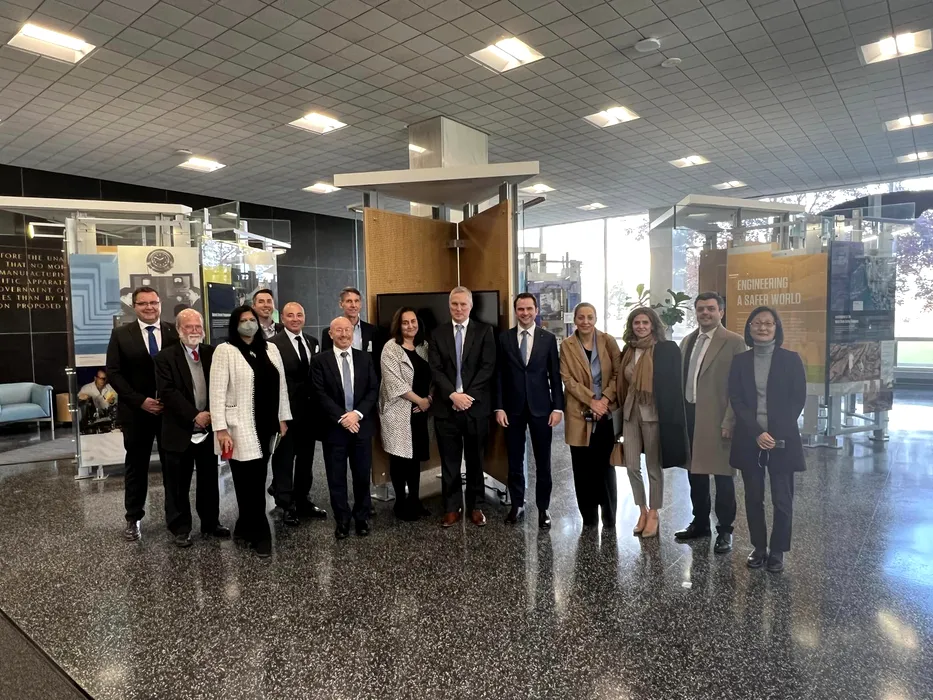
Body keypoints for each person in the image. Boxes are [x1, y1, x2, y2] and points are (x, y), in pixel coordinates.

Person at [729, 306, 806, 573]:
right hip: (750, 437)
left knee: (782, 499)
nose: (762, 327)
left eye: (768, 323)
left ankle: (778, 550)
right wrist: (757, 432)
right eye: (757, 323)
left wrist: (774, 434)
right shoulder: (740, 361)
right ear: (749, 328)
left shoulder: (791, 360)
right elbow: (736, 399)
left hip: (782, 440)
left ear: (776, 328)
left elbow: (797, 400)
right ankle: (759, 547)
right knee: (753, 498)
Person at [210, 306, 291, 558]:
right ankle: (260, 534)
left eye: (252, 319)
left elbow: (282, 386)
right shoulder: (226, 351)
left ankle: (245, 526)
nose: (249, 324)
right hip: (239, 426)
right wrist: (220, 430)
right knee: (248, 482)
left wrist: (283, 418)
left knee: (257, 477)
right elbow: (216, 392)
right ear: (235, 325)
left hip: (267, 426)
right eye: (243, 320)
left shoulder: (271, 349)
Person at [675, 292, 747, 553]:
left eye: (711, 309)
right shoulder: (687, 341)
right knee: (695, 473)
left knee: (723, 476)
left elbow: (739, 387)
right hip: (690, 416)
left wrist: (730, 420)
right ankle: (700, 523)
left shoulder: (734, 342)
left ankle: (725, 530)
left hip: (718, 419)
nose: (705, 313)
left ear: (721, 312)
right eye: (700, 309)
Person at [106, 286, 179, 541]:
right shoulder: (120, 334)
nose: (149, 307)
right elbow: (113, 373)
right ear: (134, 306)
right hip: (136, 412)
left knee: (173, 467)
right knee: (136, 467)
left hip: (170, 413)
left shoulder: (174, 331)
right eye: (143, 303)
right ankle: (133, 518)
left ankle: (176, 521)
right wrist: (140, 401)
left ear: (160, 304)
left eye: (153, 302)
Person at [154, 309, 230, 548]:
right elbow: (167, 392)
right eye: (189, 326)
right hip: (179, 429)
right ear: (179, 330)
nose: (194, 331)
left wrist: (209, 414)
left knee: (209, 480)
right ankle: (180, 528)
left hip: (208, 427)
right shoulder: (165, 357)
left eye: (198, 326)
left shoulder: (212, 353)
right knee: (177, 483)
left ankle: (211, 523)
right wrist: (194, 415)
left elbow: (221, 386)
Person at [616, 306, 688, 539]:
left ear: (653, 325)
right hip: (630, 413)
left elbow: (673, 384)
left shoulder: (665, 349)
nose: (641, 326)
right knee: (631, 466)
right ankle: (642, 510)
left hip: (653, 414)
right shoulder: (629, 349)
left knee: (653, 467)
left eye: (645, 322)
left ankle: (655, 513)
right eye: (636, 322)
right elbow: (622, 382)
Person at [429, 286, 497, 528]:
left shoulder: (484, 331)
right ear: (449, 306)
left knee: (476, 460)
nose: (458, 309)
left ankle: (476, 505)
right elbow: (435, 369)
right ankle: (451, 507)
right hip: (446, 408)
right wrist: (453, 395)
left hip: (475, 407)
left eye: (463, 304)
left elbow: (488, 367)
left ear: (471, 306)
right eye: (454, 304)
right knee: (449, 462)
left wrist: (467, 397)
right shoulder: (437, 333)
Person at [496, 293, 564, 529]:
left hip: (542, 408)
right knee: (514, 460)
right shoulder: (504, 338)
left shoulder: (548, 339)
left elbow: (555, 375)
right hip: (512, 409)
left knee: (543, 462)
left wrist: (558, 407)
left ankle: (543, 508)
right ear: (515, 311)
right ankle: (517, 504)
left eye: (528, 309)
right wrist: (499, 407)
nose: (524, 313)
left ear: (536, 311)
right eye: (520, 309)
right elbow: (499, 375)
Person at [311, 317, 379, 539]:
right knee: (336, 478)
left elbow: (373, 389)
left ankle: (361, 518)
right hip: (334, 429)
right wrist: (343, 417)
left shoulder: (364, 358)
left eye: (347, 330)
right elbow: (319, 393)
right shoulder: (319, 361)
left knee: (362, 476)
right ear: (330, 334)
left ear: (353, 332)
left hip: (361, 426)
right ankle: (342, 519)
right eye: (338, 330)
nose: (343, 334)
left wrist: (356, 414)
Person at [559, 302, 621, 528]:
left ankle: (609, 516)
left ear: (595, 319)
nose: (585, 321)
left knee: (605, 466)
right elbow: (567, 379)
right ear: (574, 320)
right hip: (578, 411)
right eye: (581, 317)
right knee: (582, 467)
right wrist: (591, 400)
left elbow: (618, 373)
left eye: (590, 317)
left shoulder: (608, 341)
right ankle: (589, 517)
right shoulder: (567, 345)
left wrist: (603, 400)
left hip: (606, 411)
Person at [269, 302, 326, 525]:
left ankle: (303, 500)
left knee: (306, 460)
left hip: (309, 414)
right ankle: (285, 504)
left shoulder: (312, 341)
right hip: (286, 414)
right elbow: (273, 382)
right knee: (284, 460)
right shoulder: (273, 344)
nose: (295, 319)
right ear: (282, 319)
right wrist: (278, 416)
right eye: (290, 315)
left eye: (299, 315)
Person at [379, 307, 432, 521]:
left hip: (420, 412)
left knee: (415, 458)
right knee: (400, 459)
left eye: (413, 321)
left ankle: (415, 501)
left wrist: (429, 400)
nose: (410, 326)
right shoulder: (391, 348)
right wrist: (420, 400)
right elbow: (394, 383)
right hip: (398, 412)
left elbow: (433, 376)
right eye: (405, 322)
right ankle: (400, 503)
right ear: (398, 325)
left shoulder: (424, 346)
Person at [321, 287, 379, 358]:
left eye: (356, 301)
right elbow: (325, 359)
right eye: (349, 301)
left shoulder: (373, 331)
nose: (353, 305)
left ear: (360, 304)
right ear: (341, 304)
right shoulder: (329, 332)